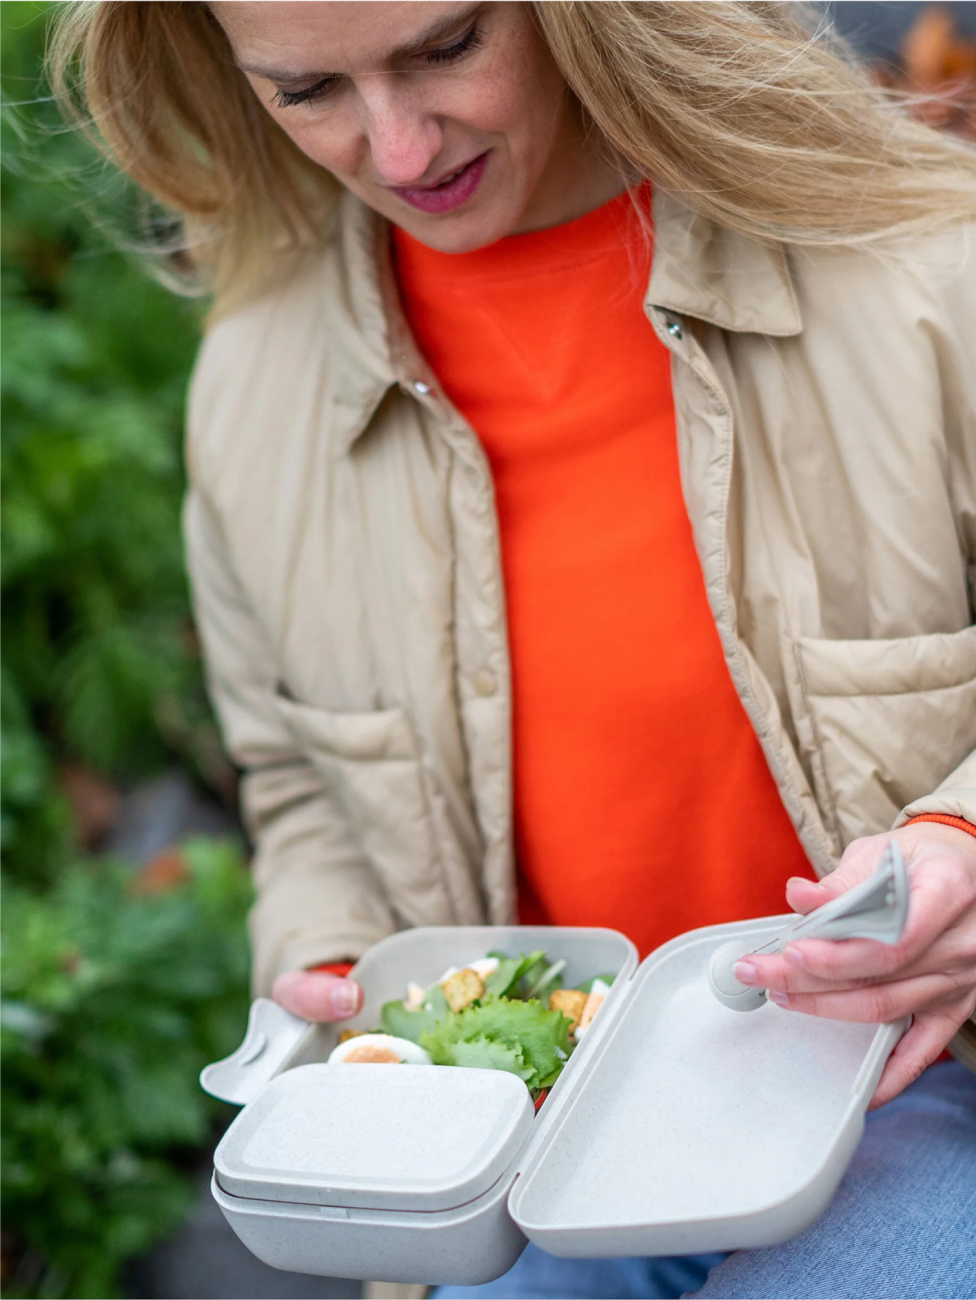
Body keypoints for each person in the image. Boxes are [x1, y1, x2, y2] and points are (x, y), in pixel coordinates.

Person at [49, 0, 976, 1293]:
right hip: (527, 1143)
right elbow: (301, 781)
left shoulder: (924, 270)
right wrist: (331, 971)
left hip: (908, 1077)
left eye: (446, 48)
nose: (403, 149)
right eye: (305, 92)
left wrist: (963, 846)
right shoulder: (254, 391)